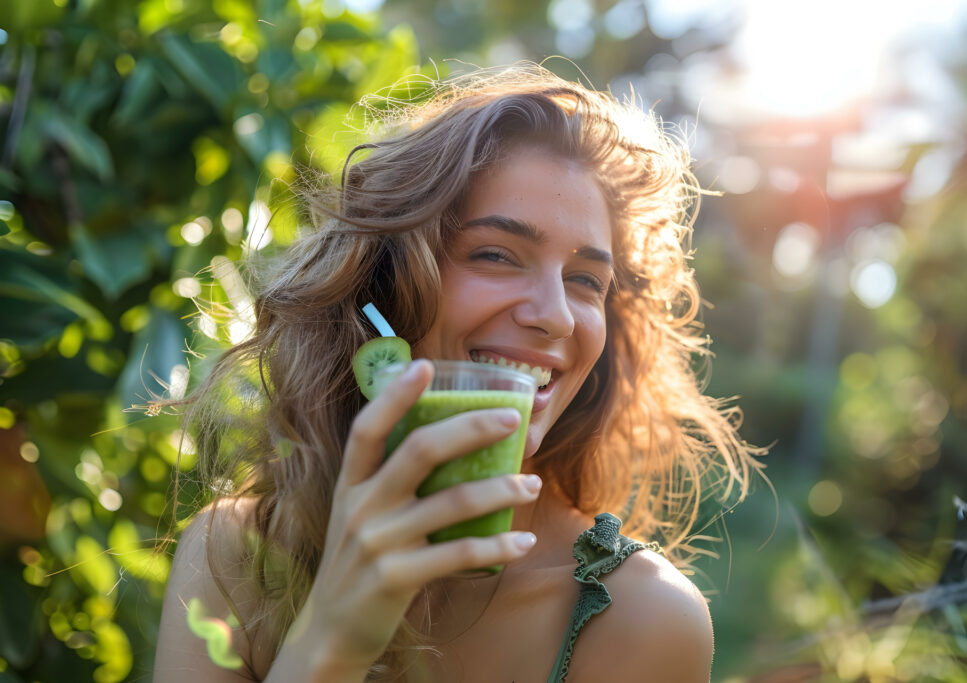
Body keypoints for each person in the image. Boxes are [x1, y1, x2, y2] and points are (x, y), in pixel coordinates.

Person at [152, 63, 764, 682]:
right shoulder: (234, 556)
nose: (555, 317)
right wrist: (332, 637)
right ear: (385, 285)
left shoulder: (644, 620)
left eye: (585, 280)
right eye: (495, 255)